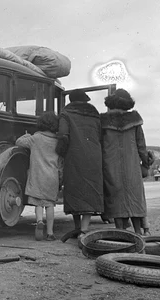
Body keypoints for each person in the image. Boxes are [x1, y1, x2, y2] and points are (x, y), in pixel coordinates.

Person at [100, 89, 149, 235]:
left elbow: (99, 144)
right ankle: (138, 232)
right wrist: (145, 164)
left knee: (115, 197)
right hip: (132, 166)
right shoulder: (135, 121)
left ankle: (121, 232)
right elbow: (141, 146)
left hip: (110, 165)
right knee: (134, 197)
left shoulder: (103, 121)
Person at [57, 89, 104, 238]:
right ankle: (84, 229)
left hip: (74, 155)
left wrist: (60, 153)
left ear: (71, 100)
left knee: (74, 190)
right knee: (91, 191)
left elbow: (63, 136)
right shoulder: (95, 115)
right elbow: (101, 136)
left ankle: (77, 227)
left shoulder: (66, 114)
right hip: (94, 156)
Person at [16, 111, 63, 241]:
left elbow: (19, 142)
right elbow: (60, 163)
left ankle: (39, 221)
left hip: (37, 176)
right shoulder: (58, 141)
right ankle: (50, 233)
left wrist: (27, 135)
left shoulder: (35, 139)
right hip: (52, 177)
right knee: (49, 205)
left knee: (38, 203)